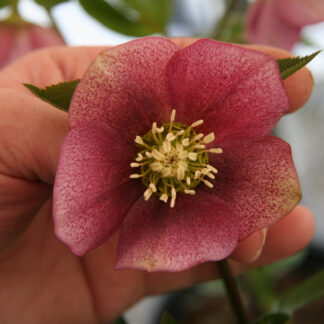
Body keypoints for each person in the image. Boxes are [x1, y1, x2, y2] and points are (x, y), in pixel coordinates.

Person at [0, 38, 315, 323]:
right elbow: (115, 71)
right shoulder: (124, 82)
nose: (174, 159)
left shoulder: (255, 177)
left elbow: (274, 189)